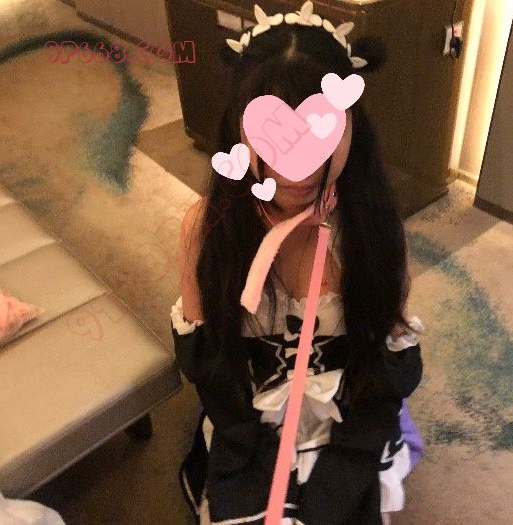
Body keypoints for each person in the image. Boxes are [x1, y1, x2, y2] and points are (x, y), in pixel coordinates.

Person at [171, 3, 424, 523]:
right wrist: (249, 462)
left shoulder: (373, 228)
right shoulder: (208, 229)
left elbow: (383, 370)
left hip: (348, 419)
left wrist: (344, 469)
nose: (298, 165)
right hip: (249, 422)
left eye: (321, 128)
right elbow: (212, 372)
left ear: (351, 127)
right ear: (239, 129)